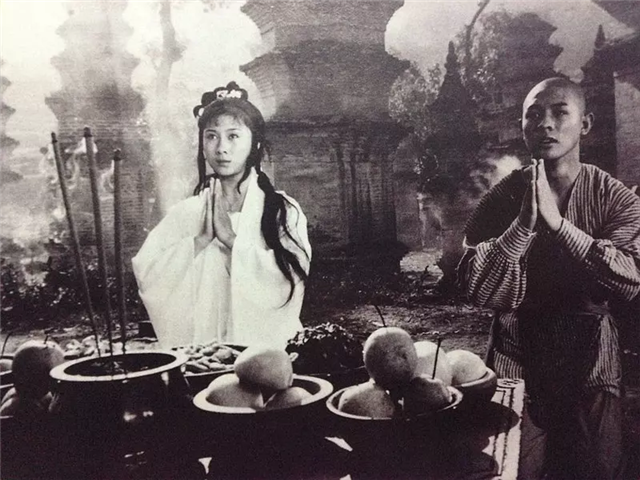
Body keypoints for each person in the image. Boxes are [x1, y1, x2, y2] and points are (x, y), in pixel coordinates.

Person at [457, 77, 640, 480]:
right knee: (512, 467)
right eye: (534, 114)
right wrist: (522, 227)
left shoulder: (615, 197)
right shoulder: (502, 198)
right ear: (523, 127)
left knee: (599, 468)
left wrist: (558, 225)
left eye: (560, 112)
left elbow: (631, 278)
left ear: (585, 124)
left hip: (591, 354)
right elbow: (474, 286)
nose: (545, 124)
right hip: (516, 349)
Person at [132, 81, 311, 349]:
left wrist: (231, 240)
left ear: (255, 144)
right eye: (211, 136)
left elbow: (292, 278)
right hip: (202, 353)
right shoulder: (186, 213)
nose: (221, 148)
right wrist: (198, 242)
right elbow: (148, 271)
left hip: (265, 355)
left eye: (233, 136)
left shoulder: (282, 210)